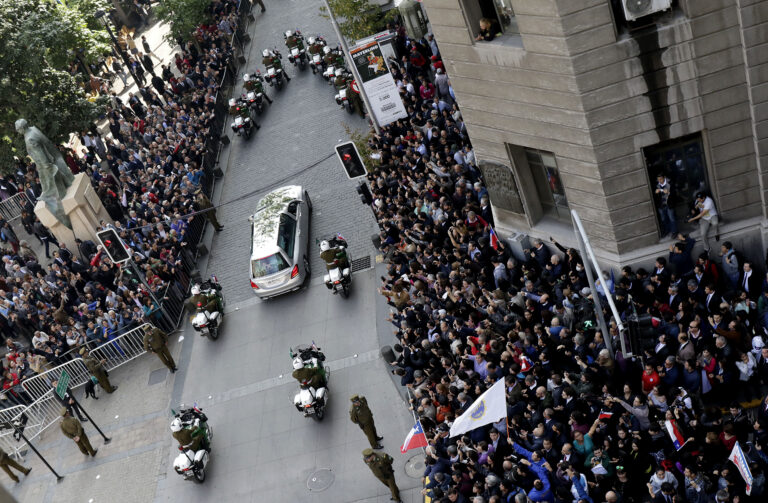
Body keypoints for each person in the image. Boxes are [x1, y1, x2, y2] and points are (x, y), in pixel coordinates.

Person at [654, 173, 677, 238]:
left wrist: (669, 193)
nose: (660, 181)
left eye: (661, 179)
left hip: (669, 204)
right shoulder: (656, 185)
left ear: (664, 178)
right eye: (658, 179)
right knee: (663, 219)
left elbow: (674, 193)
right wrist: (655, 193)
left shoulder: (669, 184)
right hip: (661, 206)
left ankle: (674, 232)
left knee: (671, 218)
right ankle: (667, 231)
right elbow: (654, 197)